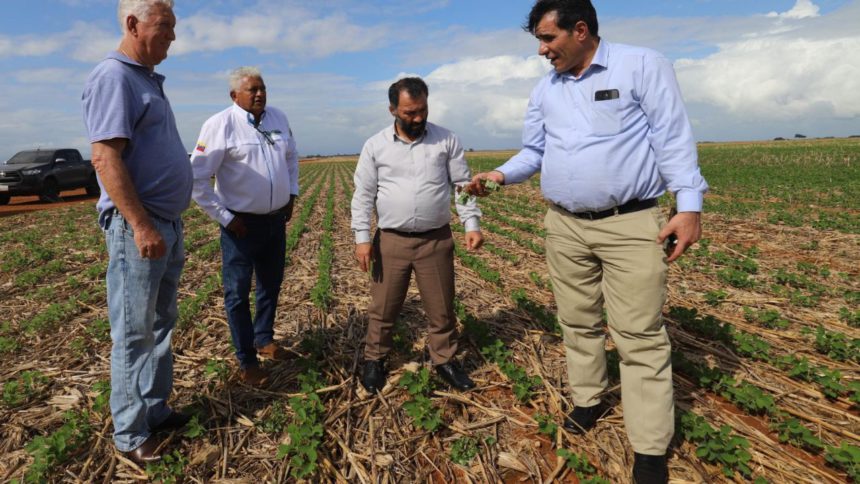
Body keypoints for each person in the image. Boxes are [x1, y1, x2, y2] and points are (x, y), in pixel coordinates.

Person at [468, 1, 708, 482]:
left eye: (548, 38)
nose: (541, 50)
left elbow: (672, 136)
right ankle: (589, 399)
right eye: (538, 39)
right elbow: (534, 150)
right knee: (577, 321)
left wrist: (689, 206)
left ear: (581, 30)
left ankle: (650, 447)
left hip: (631, 224)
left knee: (638, 334)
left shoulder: (642, 65)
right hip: (565, 226)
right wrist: (499, 174)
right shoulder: (545, 90)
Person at [81, 0, 192, 466]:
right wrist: (142, 224)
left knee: (161, 325)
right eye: (164, 26)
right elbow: (105, 158)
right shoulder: (114, 76)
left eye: (173, 27)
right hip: (138, 229)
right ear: (132, 24)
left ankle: (154, 409)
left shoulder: (144, 79)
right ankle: (129, 433)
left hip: (163, 224)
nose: (172, 36)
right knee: (133, 333)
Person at [351, 77, 484, 394]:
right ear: (392, 110)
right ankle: (375, 360)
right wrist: (362, 238)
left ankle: (445, 361)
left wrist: (472, 225)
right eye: (410, 112)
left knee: (441, 309)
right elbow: (363, 195)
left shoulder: (446, 140)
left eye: (422, 109)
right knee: (383, 309)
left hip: (435, 240)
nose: (418, 118)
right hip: (391, 241)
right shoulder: (375, 146)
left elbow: (462, 187)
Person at [190, 67, 299, 386]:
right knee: (237, 293)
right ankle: (247, 360)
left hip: (274, 221)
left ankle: (264, 339)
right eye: (252, 90)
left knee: (270, 283)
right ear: (234, 96)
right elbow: (197, 179)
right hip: (240, 226)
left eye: (262, 88)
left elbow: (291, 158)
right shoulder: (219, 125)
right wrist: (226, 218)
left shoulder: (278, 118)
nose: (259, 94)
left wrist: (291, 194)